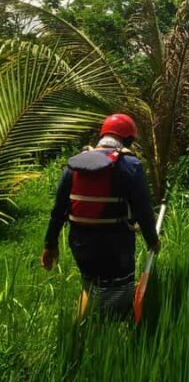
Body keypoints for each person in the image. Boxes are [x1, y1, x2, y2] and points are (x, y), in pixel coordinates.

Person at [40, 113, 159, 320]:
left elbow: (58, 210)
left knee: (90, 286)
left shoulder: (74, 164)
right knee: (116, 306)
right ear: (128, 139)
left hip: (80, 243)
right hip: (115, 246)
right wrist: (152, 240)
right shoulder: (130, 165)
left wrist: (50, 245)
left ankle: (78, 337)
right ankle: (103, 343)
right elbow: (143, 210)